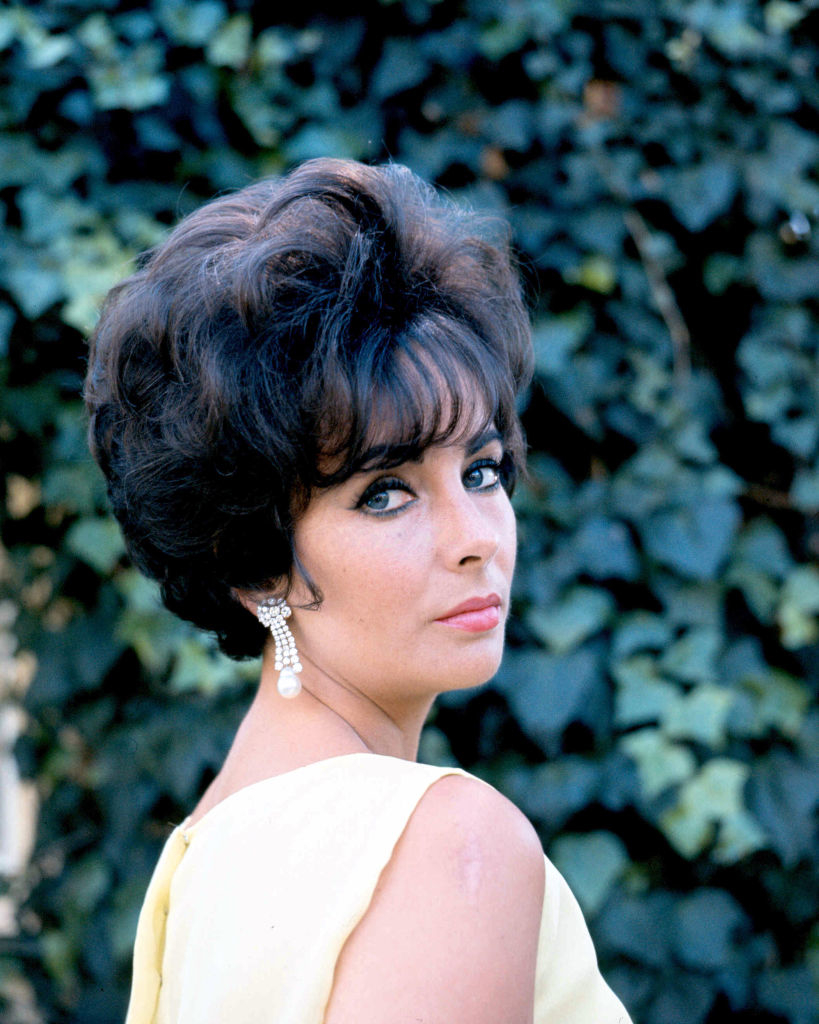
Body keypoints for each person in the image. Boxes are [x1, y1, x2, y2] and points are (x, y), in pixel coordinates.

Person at [85, 158, 632, 1024]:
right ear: (253, 557)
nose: (475, 539)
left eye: (482, 470)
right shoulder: (444, 841)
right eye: (386, 493)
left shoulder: (199, 867)